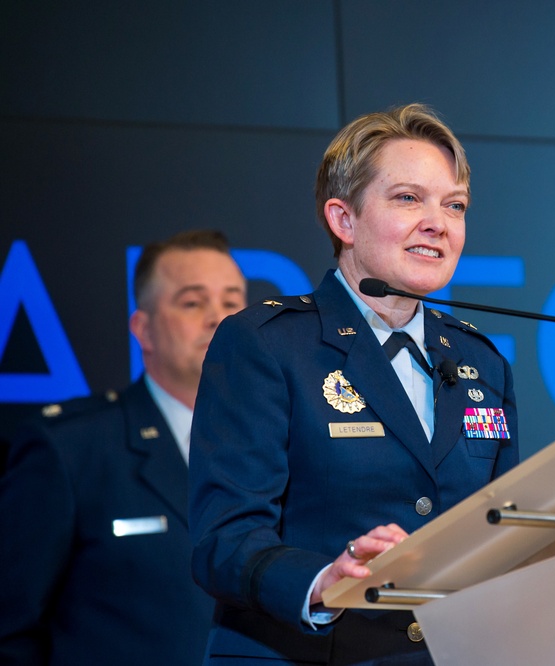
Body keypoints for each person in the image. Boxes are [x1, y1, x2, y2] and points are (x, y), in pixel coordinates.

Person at [188, 103, 519, 665]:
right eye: (408, 198)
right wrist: (324, 580)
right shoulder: (268, 344)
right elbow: (224, 540)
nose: (438, 222)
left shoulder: (481, 362)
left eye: (454, 205)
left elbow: (506, 531)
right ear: (343, 219)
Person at [0, 230, 247, 665]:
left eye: (231, 302)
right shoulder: (71, 448)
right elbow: (12, 630)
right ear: (143, 329)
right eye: (193, 302)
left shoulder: (283, 442)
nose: (218, 318)